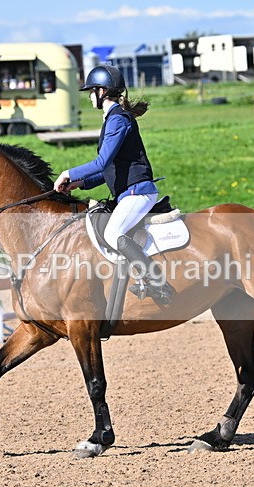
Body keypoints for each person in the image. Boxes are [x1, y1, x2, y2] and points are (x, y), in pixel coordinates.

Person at [53, 64, 173, 306]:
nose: (89, 97)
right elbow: (109, 170)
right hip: (128, 193)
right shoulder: (112, 120)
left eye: (90, 92)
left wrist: (67, 172)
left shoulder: (118, 119)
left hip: (138, 192)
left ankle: (157, 284)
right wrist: (78, 183)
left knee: (113, 232)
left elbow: (101, 161)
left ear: (101, 91)